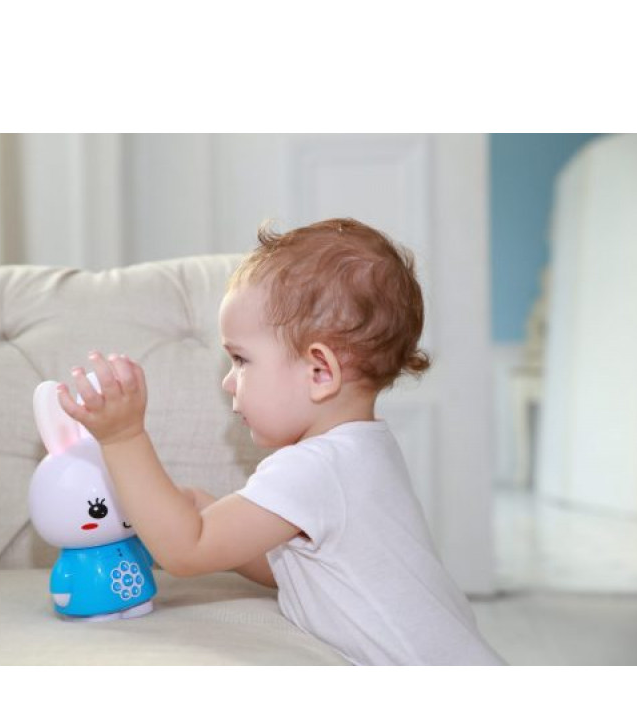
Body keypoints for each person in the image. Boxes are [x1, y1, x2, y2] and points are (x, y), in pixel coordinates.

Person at [57, 218, 504, 666]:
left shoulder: (312, 467)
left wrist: (122, 437)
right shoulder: (365, 448)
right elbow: (299, 569)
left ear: (320, 372)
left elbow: (186, 551)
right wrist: (204, 516)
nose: (229, 382)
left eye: (240, 359)